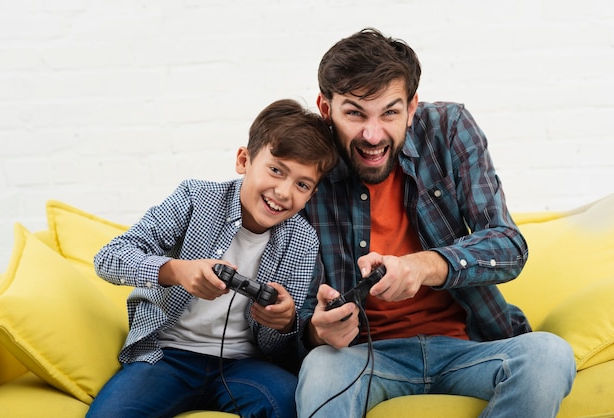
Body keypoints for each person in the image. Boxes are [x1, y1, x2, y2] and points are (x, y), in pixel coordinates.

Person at [295, 28, 576, 418]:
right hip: (364, 356)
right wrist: (316, 330)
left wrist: (422, 266)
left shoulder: (447, 128)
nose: (372, 135)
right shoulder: (305, 163)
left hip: (468, 345)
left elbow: (509, 246)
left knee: (549, 354)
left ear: (412, 108)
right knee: (320, 367)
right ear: (326, 109)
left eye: (390, 112)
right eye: (354, 113)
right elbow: (293, 304)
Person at [86, 99, 338, 418]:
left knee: (287, 403)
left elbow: (281, 348)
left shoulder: (302, 240)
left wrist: (285, 322)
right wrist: (176, 271)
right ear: (243, 160)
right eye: (276, 170)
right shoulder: (195, 198)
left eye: (302, 184)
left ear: (311, 194)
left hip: (246, 367)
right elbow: (109, 257)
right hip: (167, 356)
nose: (284, 192)